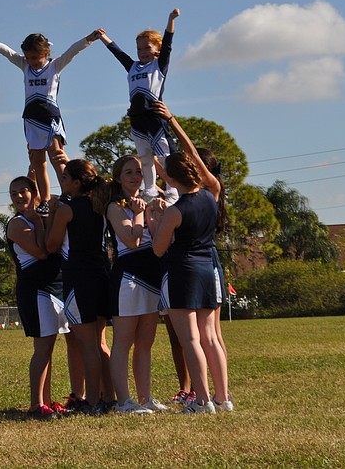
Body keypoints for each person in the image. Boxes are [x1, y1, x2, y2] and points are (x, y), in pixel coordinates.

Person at [0, 29, 103, 213]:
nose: (32, 61)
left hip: (50, 119)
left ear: (46, 53)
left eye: (35, 58)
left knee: (57, 157)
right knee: (37, 162)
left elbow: (73, 51)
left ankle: (68, 193)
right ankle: (45, 200)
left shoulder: (55, 66)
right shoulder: (25, 66)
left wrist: (89, 39)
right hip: (31, 120)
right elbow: (6, 52)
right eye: (28, 57)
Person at [153, 100, 231, 406]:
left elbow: (159, 250)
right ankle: (223, 398)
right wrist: (173, 121)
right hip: (208, 269)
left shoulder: (175, 211)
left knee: (191, 340)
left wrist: (156, 219)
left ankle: (202, 401)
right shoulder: (212, 192)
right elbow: (195, 157)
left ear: (170, 182)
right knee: (211, 337)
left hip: (183, 272)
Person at [46, 159, 114, 414]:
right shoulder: (101, 205)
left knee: (87, 345)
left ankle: (93, 402)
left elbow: (51, 245)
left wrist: (52, 212)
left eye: (64, 178)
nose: (61, 182)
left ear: (76, 183)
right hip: (102, 276)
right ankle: (110, 396)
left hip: (79, 278)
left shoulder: (67, 209)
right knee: (100, 343)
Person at [105, 155, 169, 414]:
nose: (134, 176)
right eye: (128, 172)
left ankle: (145, 398)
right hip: (128, 278)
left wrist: (156, 212)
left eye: (138, 172)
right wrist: (140, 213)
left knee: (146, 342)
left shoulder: (146, 201)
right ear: (118, 178)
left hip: (150, 275)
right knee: (123, 340)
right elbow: (131, 240)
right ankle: (123, 401)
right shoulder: (114, 207)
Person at [98, 9, 180, 203]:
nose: (142, 52)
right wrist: (103, 37)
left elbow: (168, 43)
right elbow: (118, 54)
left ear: (157, 50)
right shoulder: (132, 66)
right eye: (139, 49)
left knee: (164, 157)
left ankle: (172, 189)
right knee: (145, 158)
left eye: (147, 48)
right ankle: (150, 189)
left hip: (154, 117)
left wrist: (170, 20)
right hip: (136, 119)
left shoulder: (159, 66)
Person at [5, 176, 69, 419]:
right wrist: (40, 224)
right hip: (35, 289)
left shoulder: (41, 215)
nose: (19, 197)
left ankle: (48, 400)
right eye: (14, 194)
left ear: (34, 192)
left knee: (48, 349)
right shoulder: (16, 224)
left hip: (54, 287)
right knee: (41, 349)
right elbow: (42, 252)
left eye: (23, 191)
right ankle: (35, 404)